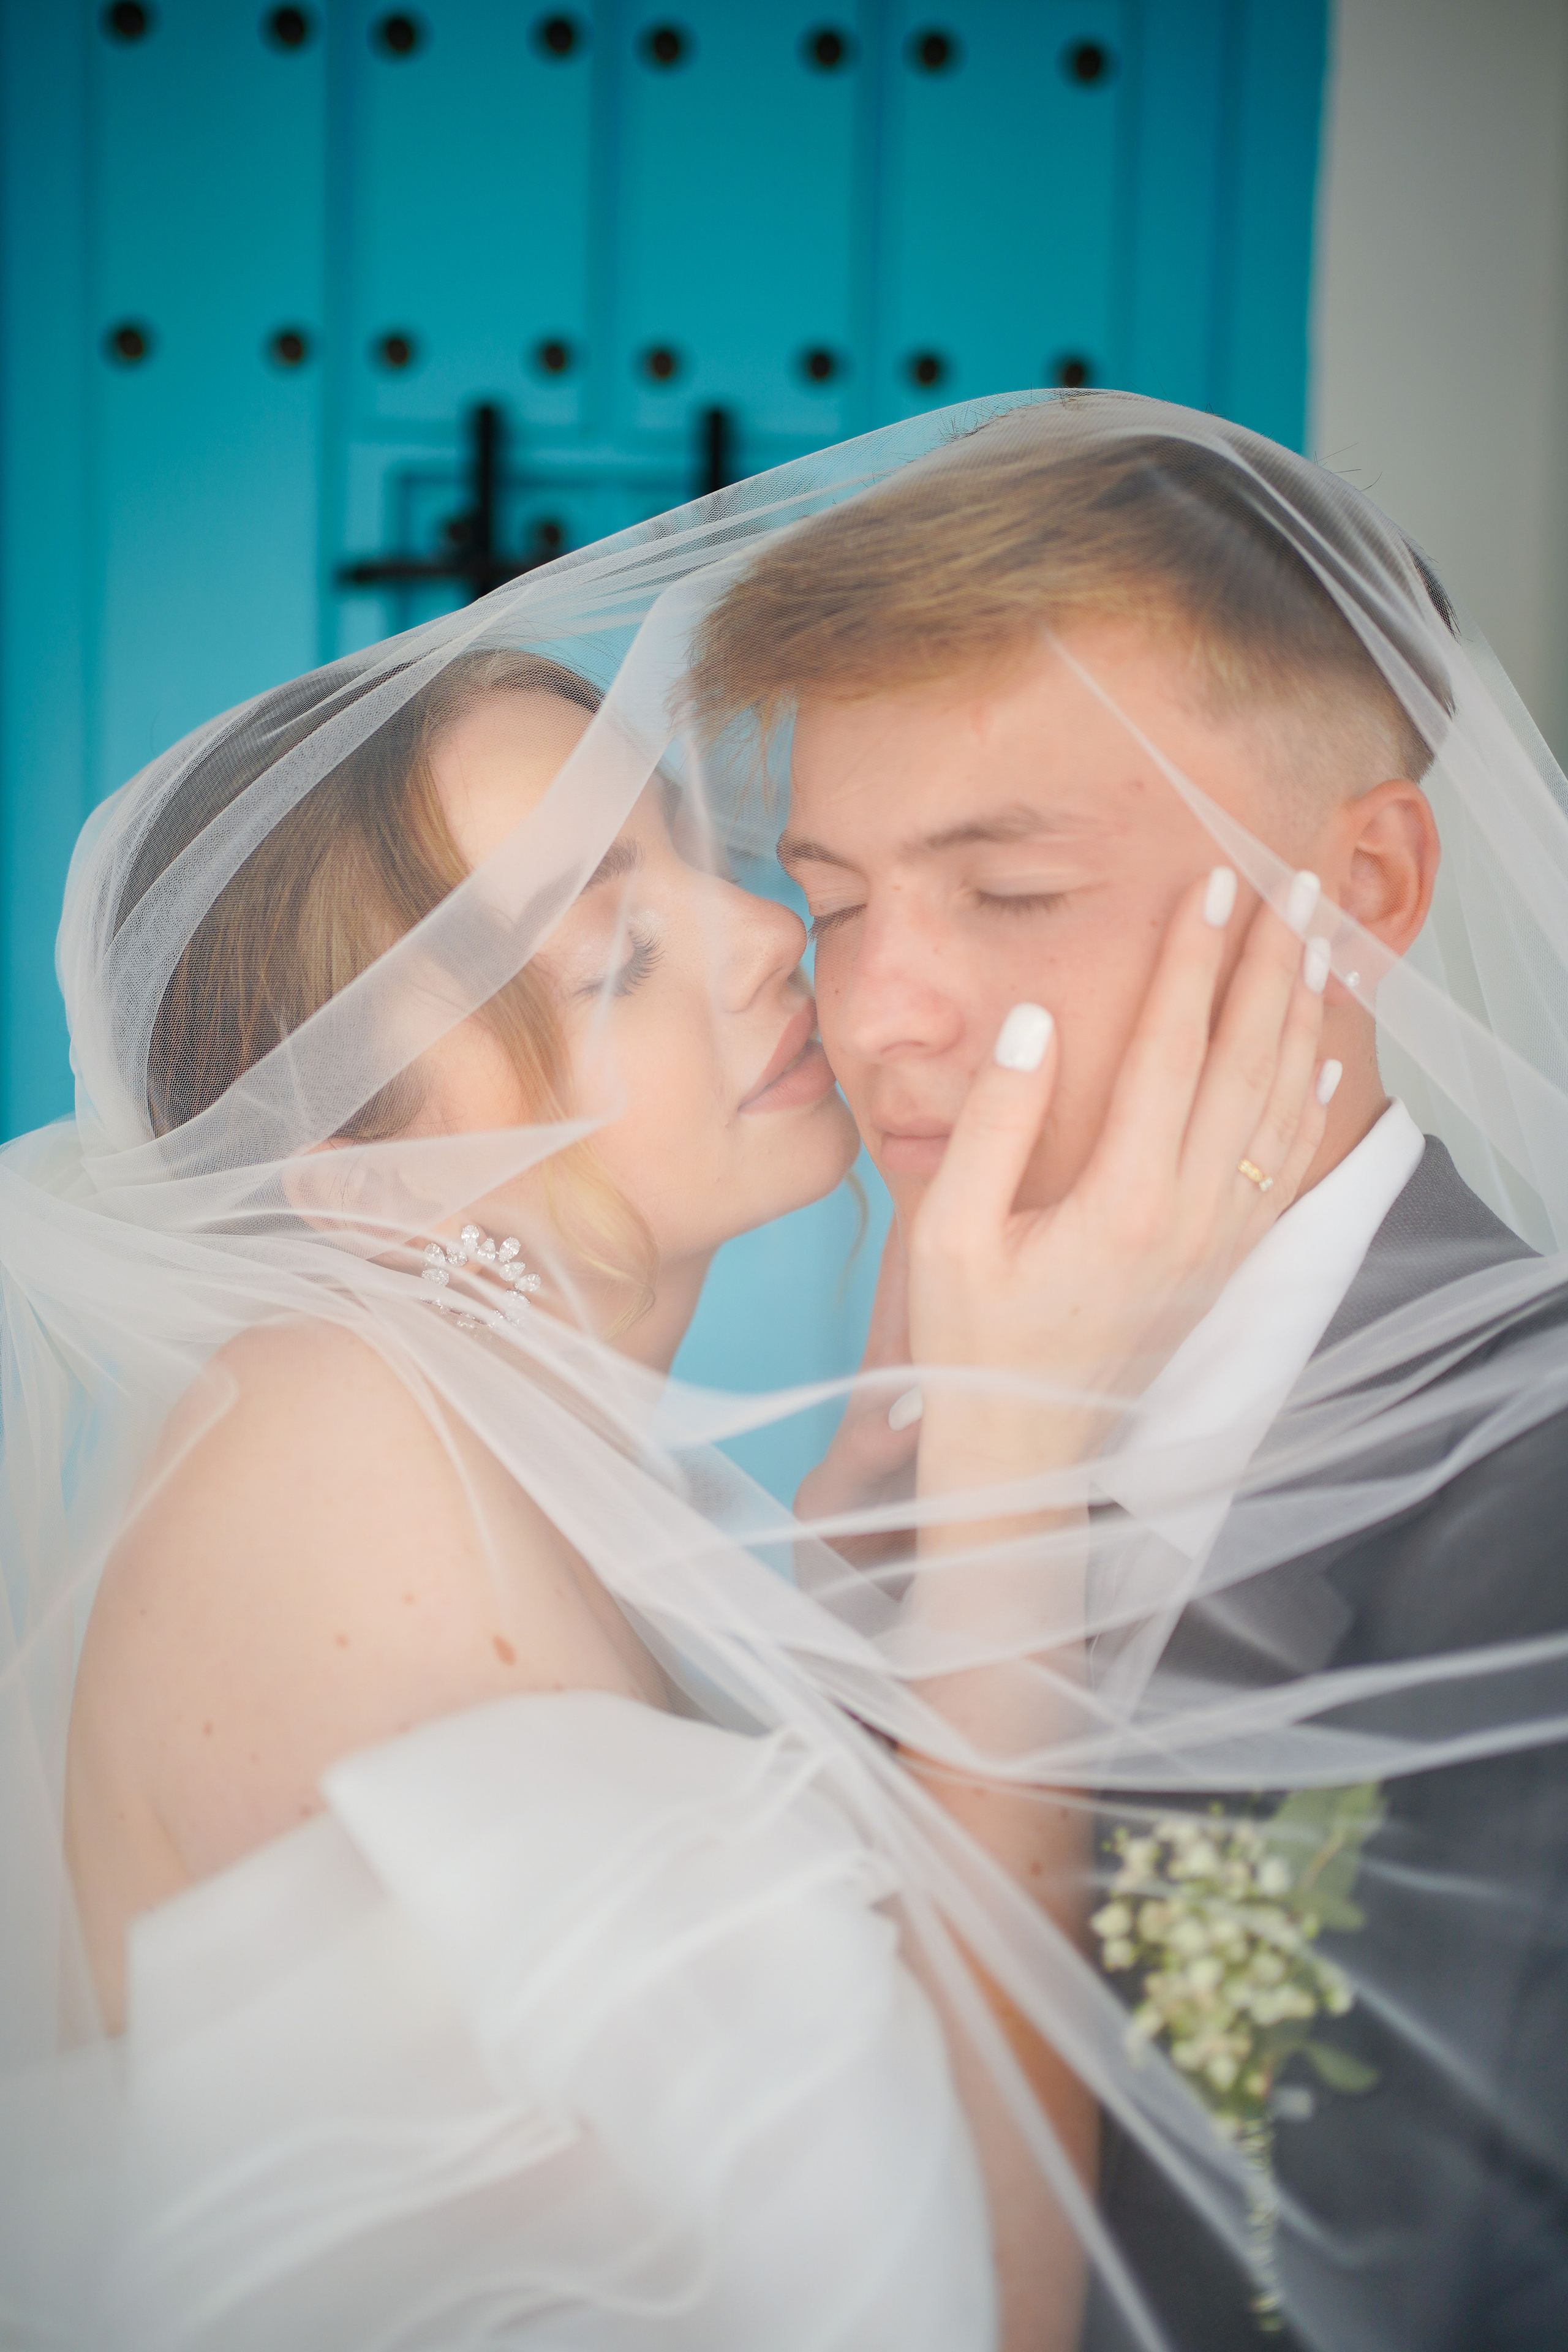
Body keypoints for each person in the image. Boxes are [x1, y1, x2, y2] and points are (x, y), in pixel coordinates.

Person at [0, 610, 1325, 2352]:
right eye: (614, 957)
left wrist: (869, 1541)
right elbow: (961, 2309)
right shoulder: (334, 1459)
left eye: (702, 853)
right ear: (364, 1184)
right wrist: (1017, 1461)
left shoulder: (493, 1445)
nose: (772, 935)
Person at [688, 404, 1568, 2349]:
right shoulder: (893, 1454)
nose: (873, 1012)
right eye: (832, 903)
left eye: (1006, 894)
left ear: (1371, 885)